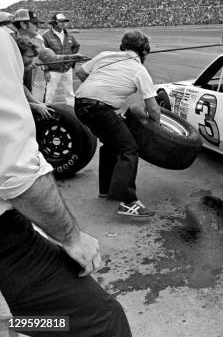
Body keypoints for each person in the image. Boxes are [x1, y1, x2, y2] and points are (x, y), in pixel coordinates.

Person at [0, 27, 132, 336]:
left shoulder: (24, 45)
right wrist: (72, 237)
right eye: (30, 60)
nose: (34, 64)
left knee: (21, 323)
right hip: (6, 242)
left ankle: (20, 325)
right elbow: (15, 170)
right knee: (104, 321)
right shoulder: (3, 44)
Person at [74, 30, 160, 218]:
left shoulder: (105, 55)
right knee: (129, 149)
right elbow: (153, 109)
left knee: (112, 145)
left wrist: (98, 87)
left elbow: (80, 72)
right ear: (145, 51)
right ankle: (128, 202)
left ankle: (106, 189)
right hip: (99, 109)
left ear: (123, 47)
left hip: (80, 105)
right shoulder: (140, 70)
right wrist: (158, 131)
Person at [12, 8, 85, 101]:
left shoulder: (37, 40)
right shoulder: (7, 40)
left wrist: (72, 57)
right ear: (23, 24)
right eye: (35, 23)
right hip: (12, 90)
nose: (38, 26)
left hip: (27, 88)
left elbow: (51, 58)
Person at [42, 13, 81, 104]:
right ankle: (46, 113)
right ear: (54, 23)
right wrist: (46, 70)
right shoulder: (46, 36)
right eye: (61, 22)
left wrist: (71, 61)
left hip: (67, 69)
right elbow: (43, 54)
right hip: (53, 70)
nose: (63, 23)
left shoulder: (69, 35)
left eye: (65, 21)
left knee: (70, 93)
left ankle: (71, 112)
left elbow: (76, 46)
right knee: (49, 94)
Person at [14, 36, 55, 119]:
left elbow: (21, 86)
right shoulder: (7, 69)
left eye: (33, 57)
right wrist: (35, 106)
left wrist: (37, 103)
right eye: (29, 57)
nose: (32, 60)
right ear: (18, 54)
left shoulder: (19, 67)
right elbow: (9, 101)